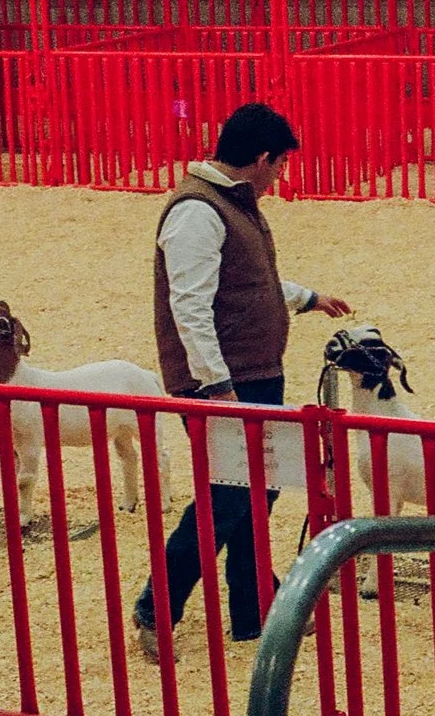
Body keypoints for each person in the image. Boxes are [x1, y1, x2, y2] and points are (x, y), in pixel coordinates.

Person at [133, 102, 353, 663]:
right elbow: (190, 305)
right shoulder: (196, 212)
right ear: (260, 158)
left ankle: (254, 606)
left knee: (259, 489)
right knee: (228, 498)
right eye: (279, 164)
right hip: (226, 382)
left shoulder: (229, 203)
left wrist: (306, 298)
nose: (281, 175)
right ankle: (156, 606)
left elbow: (250, 277)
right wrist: (216, 385)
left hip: (251, 373)